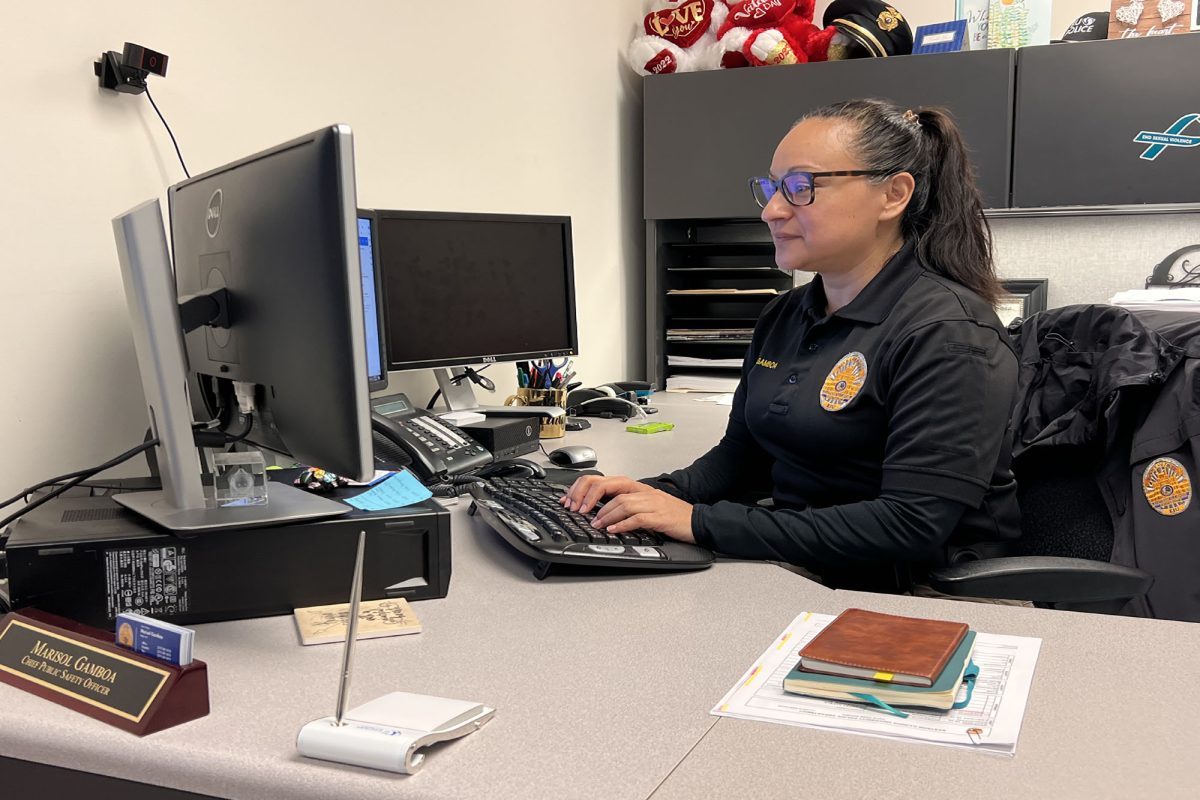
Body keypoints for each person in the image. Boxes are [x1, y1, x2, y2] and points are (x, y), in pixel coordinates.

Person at [563, 99, 1021, 591]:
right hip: (808, 568)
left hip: (923, 594)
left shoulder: (950, 332)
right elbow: (742, 457)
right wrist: (653, 495)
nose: (771, 210)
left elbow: (909, 526)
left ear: (893, 195)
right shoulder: (786, 313)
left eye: (801, 187)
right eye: (772, 187)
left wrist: (696, 522)